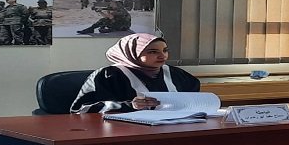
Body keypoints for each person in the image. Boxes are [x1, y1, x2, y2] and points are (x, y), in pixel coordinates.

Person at [70, 34, 200, 114]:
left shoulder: (177, 74)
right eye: (152, 52)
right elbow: (81, 110)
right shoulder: (109, 75)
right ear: (132, 54)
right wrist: (129, 105)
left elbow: (193, 101)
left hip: (173, 129)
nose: (163, 56)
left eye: (165, 50)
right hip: (123, 134)